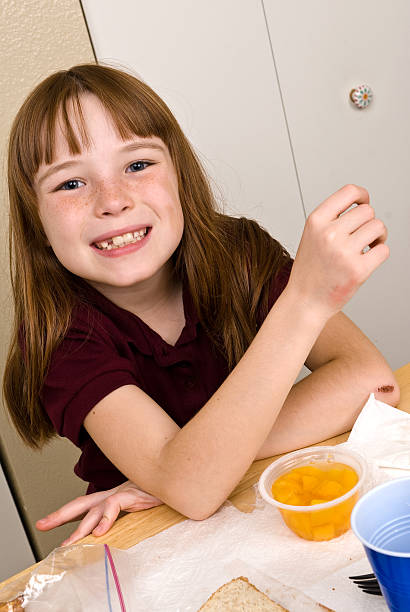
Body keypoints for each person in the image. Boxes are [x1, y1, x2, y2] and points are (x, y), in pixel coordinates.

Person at [3, 63, 399, 548]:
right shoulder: (61, 341)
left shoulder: (239, 252)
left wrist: (181, 469)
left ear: (180, 178)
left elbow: (373, 383)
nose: (113, 201)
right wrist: (305, 301)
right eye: (70, 184)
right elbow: (193, 491)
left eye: (137, 165)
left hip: (251, 509)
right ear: (36, 223)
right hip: (154, 546)